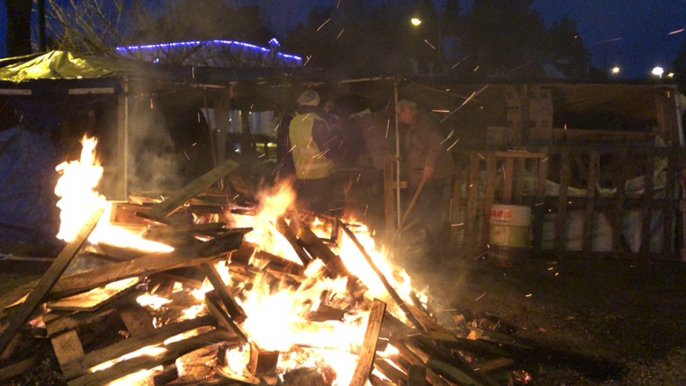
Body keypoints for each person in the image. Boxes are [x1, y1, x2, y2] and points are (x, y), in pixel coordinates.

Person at [396, 99, 455, 257]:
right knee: (425, 212)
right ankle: (430, 248)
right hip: (423, 178)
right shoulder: (415, 127)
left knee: (431, 212)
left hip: (433, 178)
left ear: (407, 109)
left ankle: (437, 251)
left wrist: (429, 165)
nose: (398, 118)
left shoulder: (426, 124)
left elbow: (437, 144)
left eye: (399, 114)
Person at [288, 90, 341, 213]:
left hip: (301, 176)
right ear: (318, 106)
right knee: (321, 215)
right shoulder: (317, 123)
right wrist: (336, 137)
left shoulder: (294, 122)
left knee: (307, 213)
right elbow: (328, 152)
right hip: (321, 177)